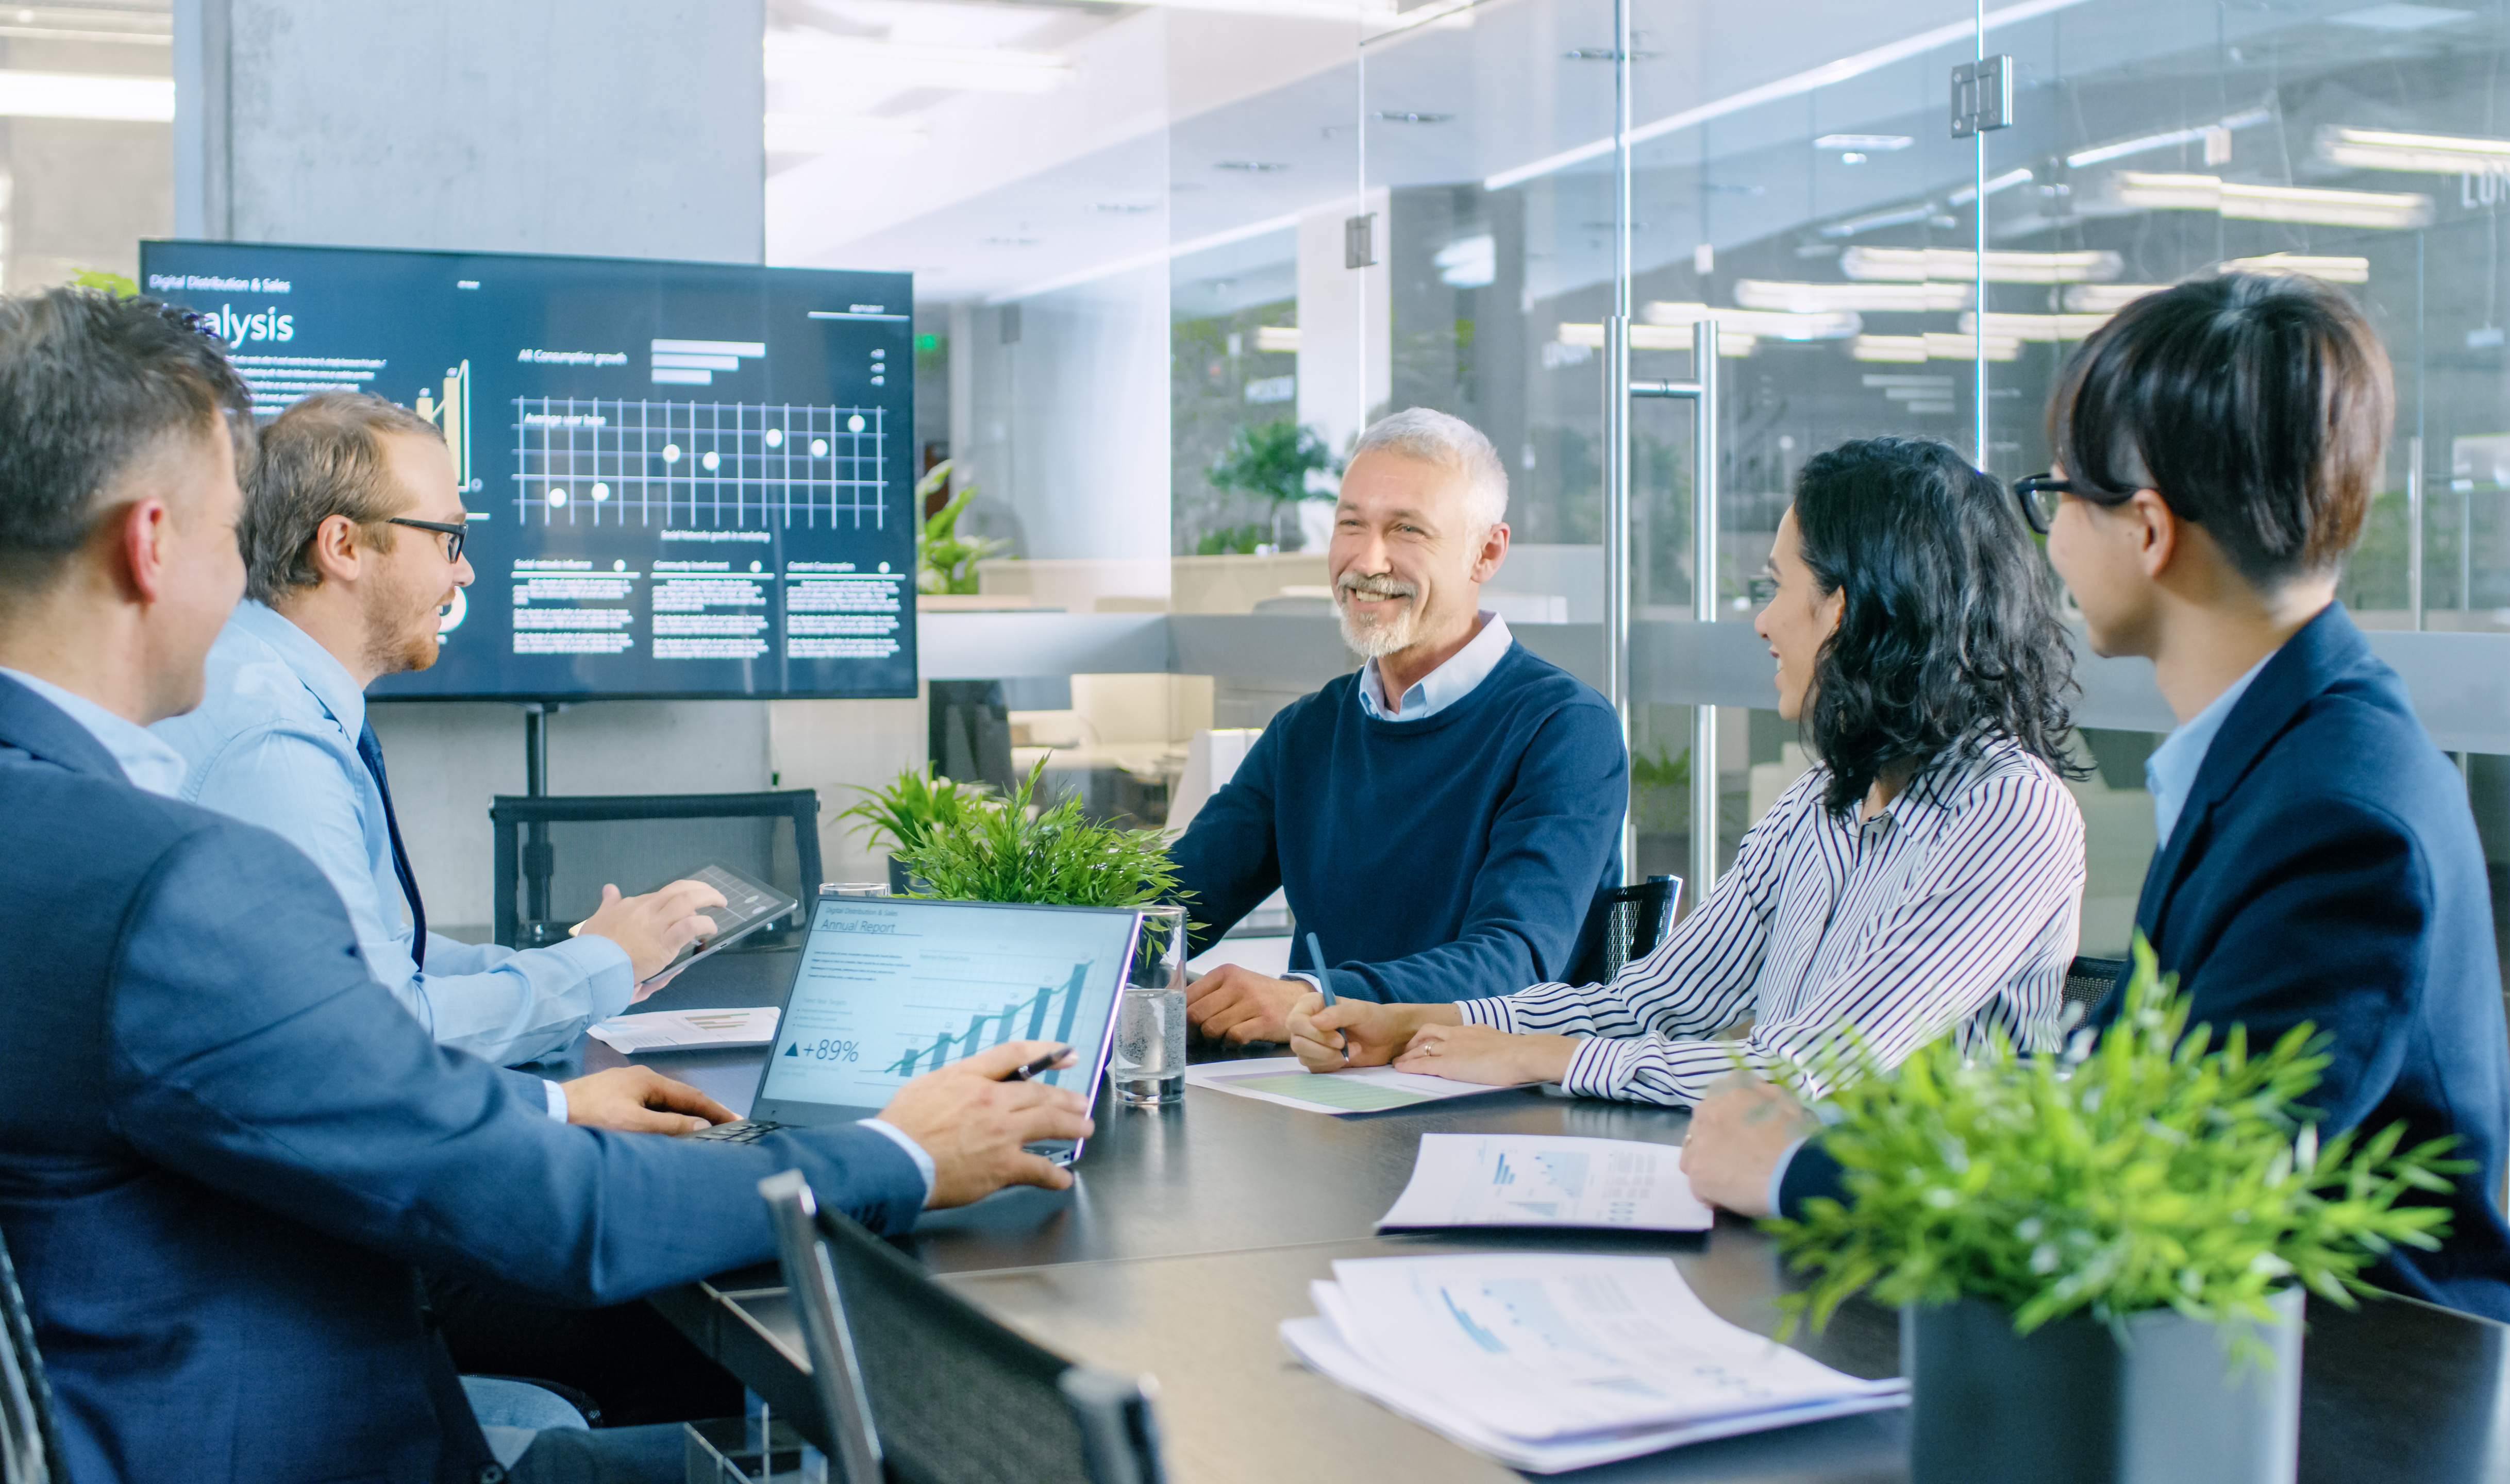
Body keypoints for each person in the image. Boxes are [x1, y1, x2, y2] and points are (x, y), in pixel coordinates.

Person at [0, 287, 1094, 1483]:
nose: (244, 583)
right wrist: (902, 1150)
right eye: (227, 532)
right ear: (150, 543)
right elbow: (560, 1214)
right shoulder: (169, 887)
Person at [1683, 272, 2510, 1338]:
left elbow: (2165, 1189)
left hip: (2370, 1386)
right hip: (2241, 1359)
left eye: (2057, 498)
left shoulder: (2336, 814)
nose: (2045, 542)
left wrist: (1797, 1168)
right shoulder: (2278, 754)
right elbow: (2118, 1107)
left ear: (2146, 532)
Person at [1289, 437, 2087, 1104]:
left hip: (1918, 1262)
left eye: (1778, 588)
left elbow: (1815, 1069)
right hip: (1778, 1204)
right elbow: (1658, 1001)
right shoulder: (1822, 803)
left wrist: (1546, 1058)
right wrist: (1442, 1021)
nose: (1763, 621)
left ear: (1845, 608)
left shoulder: (2011, 812)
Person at [155, 390, 722, 1070]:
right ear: (343, 545)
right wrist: (595, 966)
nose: (465, 571)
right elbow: (383, 1035)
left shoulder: (261, 681)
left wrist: (584, 964)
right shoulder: (275, 745)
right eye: (448, 538)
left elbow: (383, 953)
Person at [1174, 408, 1628, 1043]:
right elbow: (1175, 904)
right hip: (1321, 1093)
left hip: (1484, 1104)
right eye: (1350, 525)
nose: (1367, 559)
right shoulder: (1306, 732)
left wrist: (1310, 998)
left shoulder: (1563, 729)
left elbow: (1515, 964)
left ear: (1486, 552)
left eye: (1407, 530)